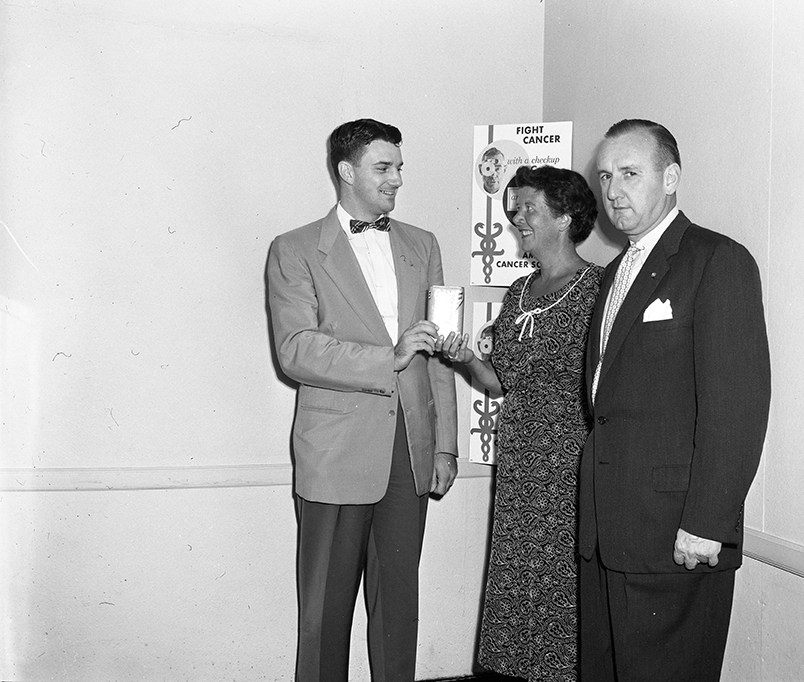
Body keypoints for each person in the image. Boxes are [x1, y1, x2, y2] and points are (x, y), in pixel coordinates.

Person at [266, 118, 459, 682]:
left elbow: (439, 354)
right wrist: (387, 359)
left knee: (399, 606)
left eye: (399, 167)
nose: (398, 178)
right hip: (335, 454)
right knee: (325, 613)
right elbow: (296, 349)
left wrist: (444, 447)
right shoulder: (295, 249)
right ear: (347, 172)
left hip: (410, 451)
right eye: (384, 167)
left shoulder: (423, 245)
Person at [579, 118, 771, 682]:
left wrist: (707, 521)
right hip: (608, 531)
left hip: (677, 534)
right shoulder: (615, 271)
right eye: (607, 175)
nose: (613, 190)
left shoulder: (717, 261)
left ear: (671, 177)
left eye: (630, 173)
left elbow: (736, 407)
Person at [437, 165, 603, 682]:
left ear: (566, 216)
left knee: (561, 579)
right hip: (519, 462)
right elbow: (498, 381)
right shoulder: (519, 290)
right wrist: (463, 356)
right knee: (517, 576)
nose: (516, 217)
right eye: (515, 208)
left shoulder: (599, 289)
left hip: (571, 463)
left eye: (529, 207)